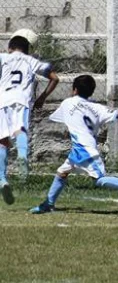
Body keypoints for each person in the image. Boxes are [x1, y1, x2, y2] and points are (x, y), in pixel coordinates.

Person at [29, 75, 118, 214]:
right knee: (62, 172)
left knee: (99, 179)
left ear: (74, 90)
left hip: (84, 149)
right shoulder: (97, 107)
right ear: (92, 91)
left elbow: (51, 117)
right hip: (80, 149)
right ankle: (48, 204)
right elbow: (117, 114)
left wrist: (37, 109)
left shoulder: (68, 103)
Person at [0, 32, 59, 204]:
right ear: (27, 50)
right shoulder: (31, 61)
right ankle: (23, 155)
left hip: (2, 102)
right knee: (20, 130)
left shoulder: (3, 57)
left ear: (10, 48)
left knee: (2, 141)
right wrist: (42, 97)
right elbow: (55, 78)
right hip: (22, 101)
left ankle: (2, 179)